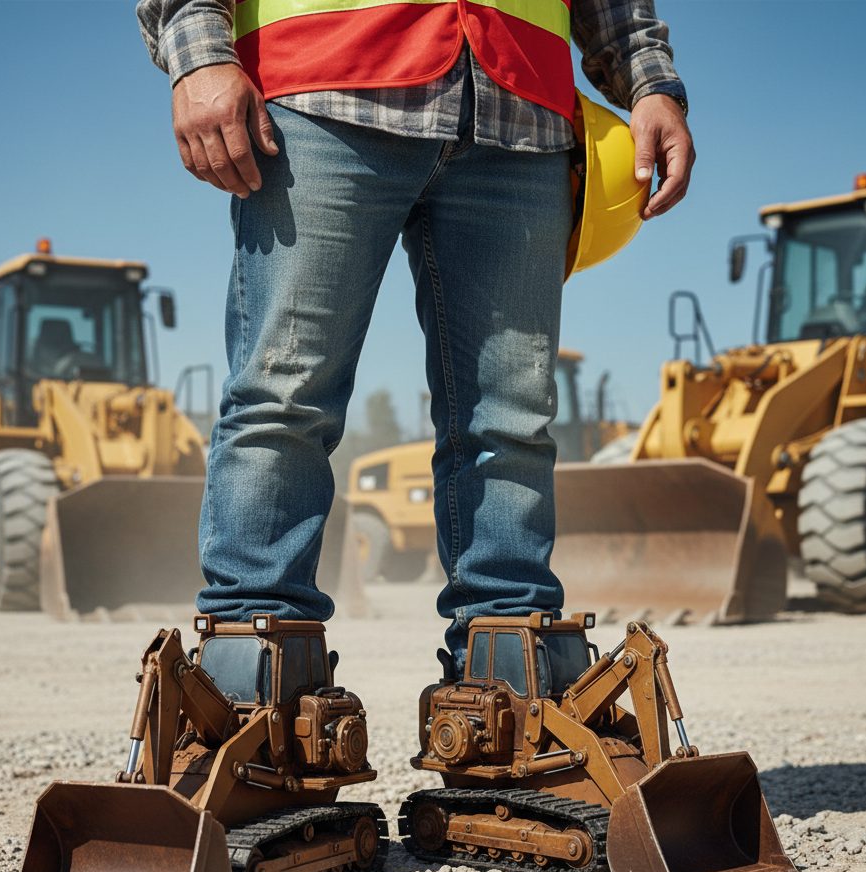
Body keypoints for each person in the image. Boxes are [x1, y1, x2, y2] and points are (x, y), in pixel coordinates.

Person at [136, 0, 694, 672]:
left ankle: (508, 684)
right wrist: (198, 54)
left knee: (512, 422)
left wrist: (649, 81)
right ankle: (253, 674)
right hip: (321, 87)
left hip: (517, 110)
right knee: (283, 398)